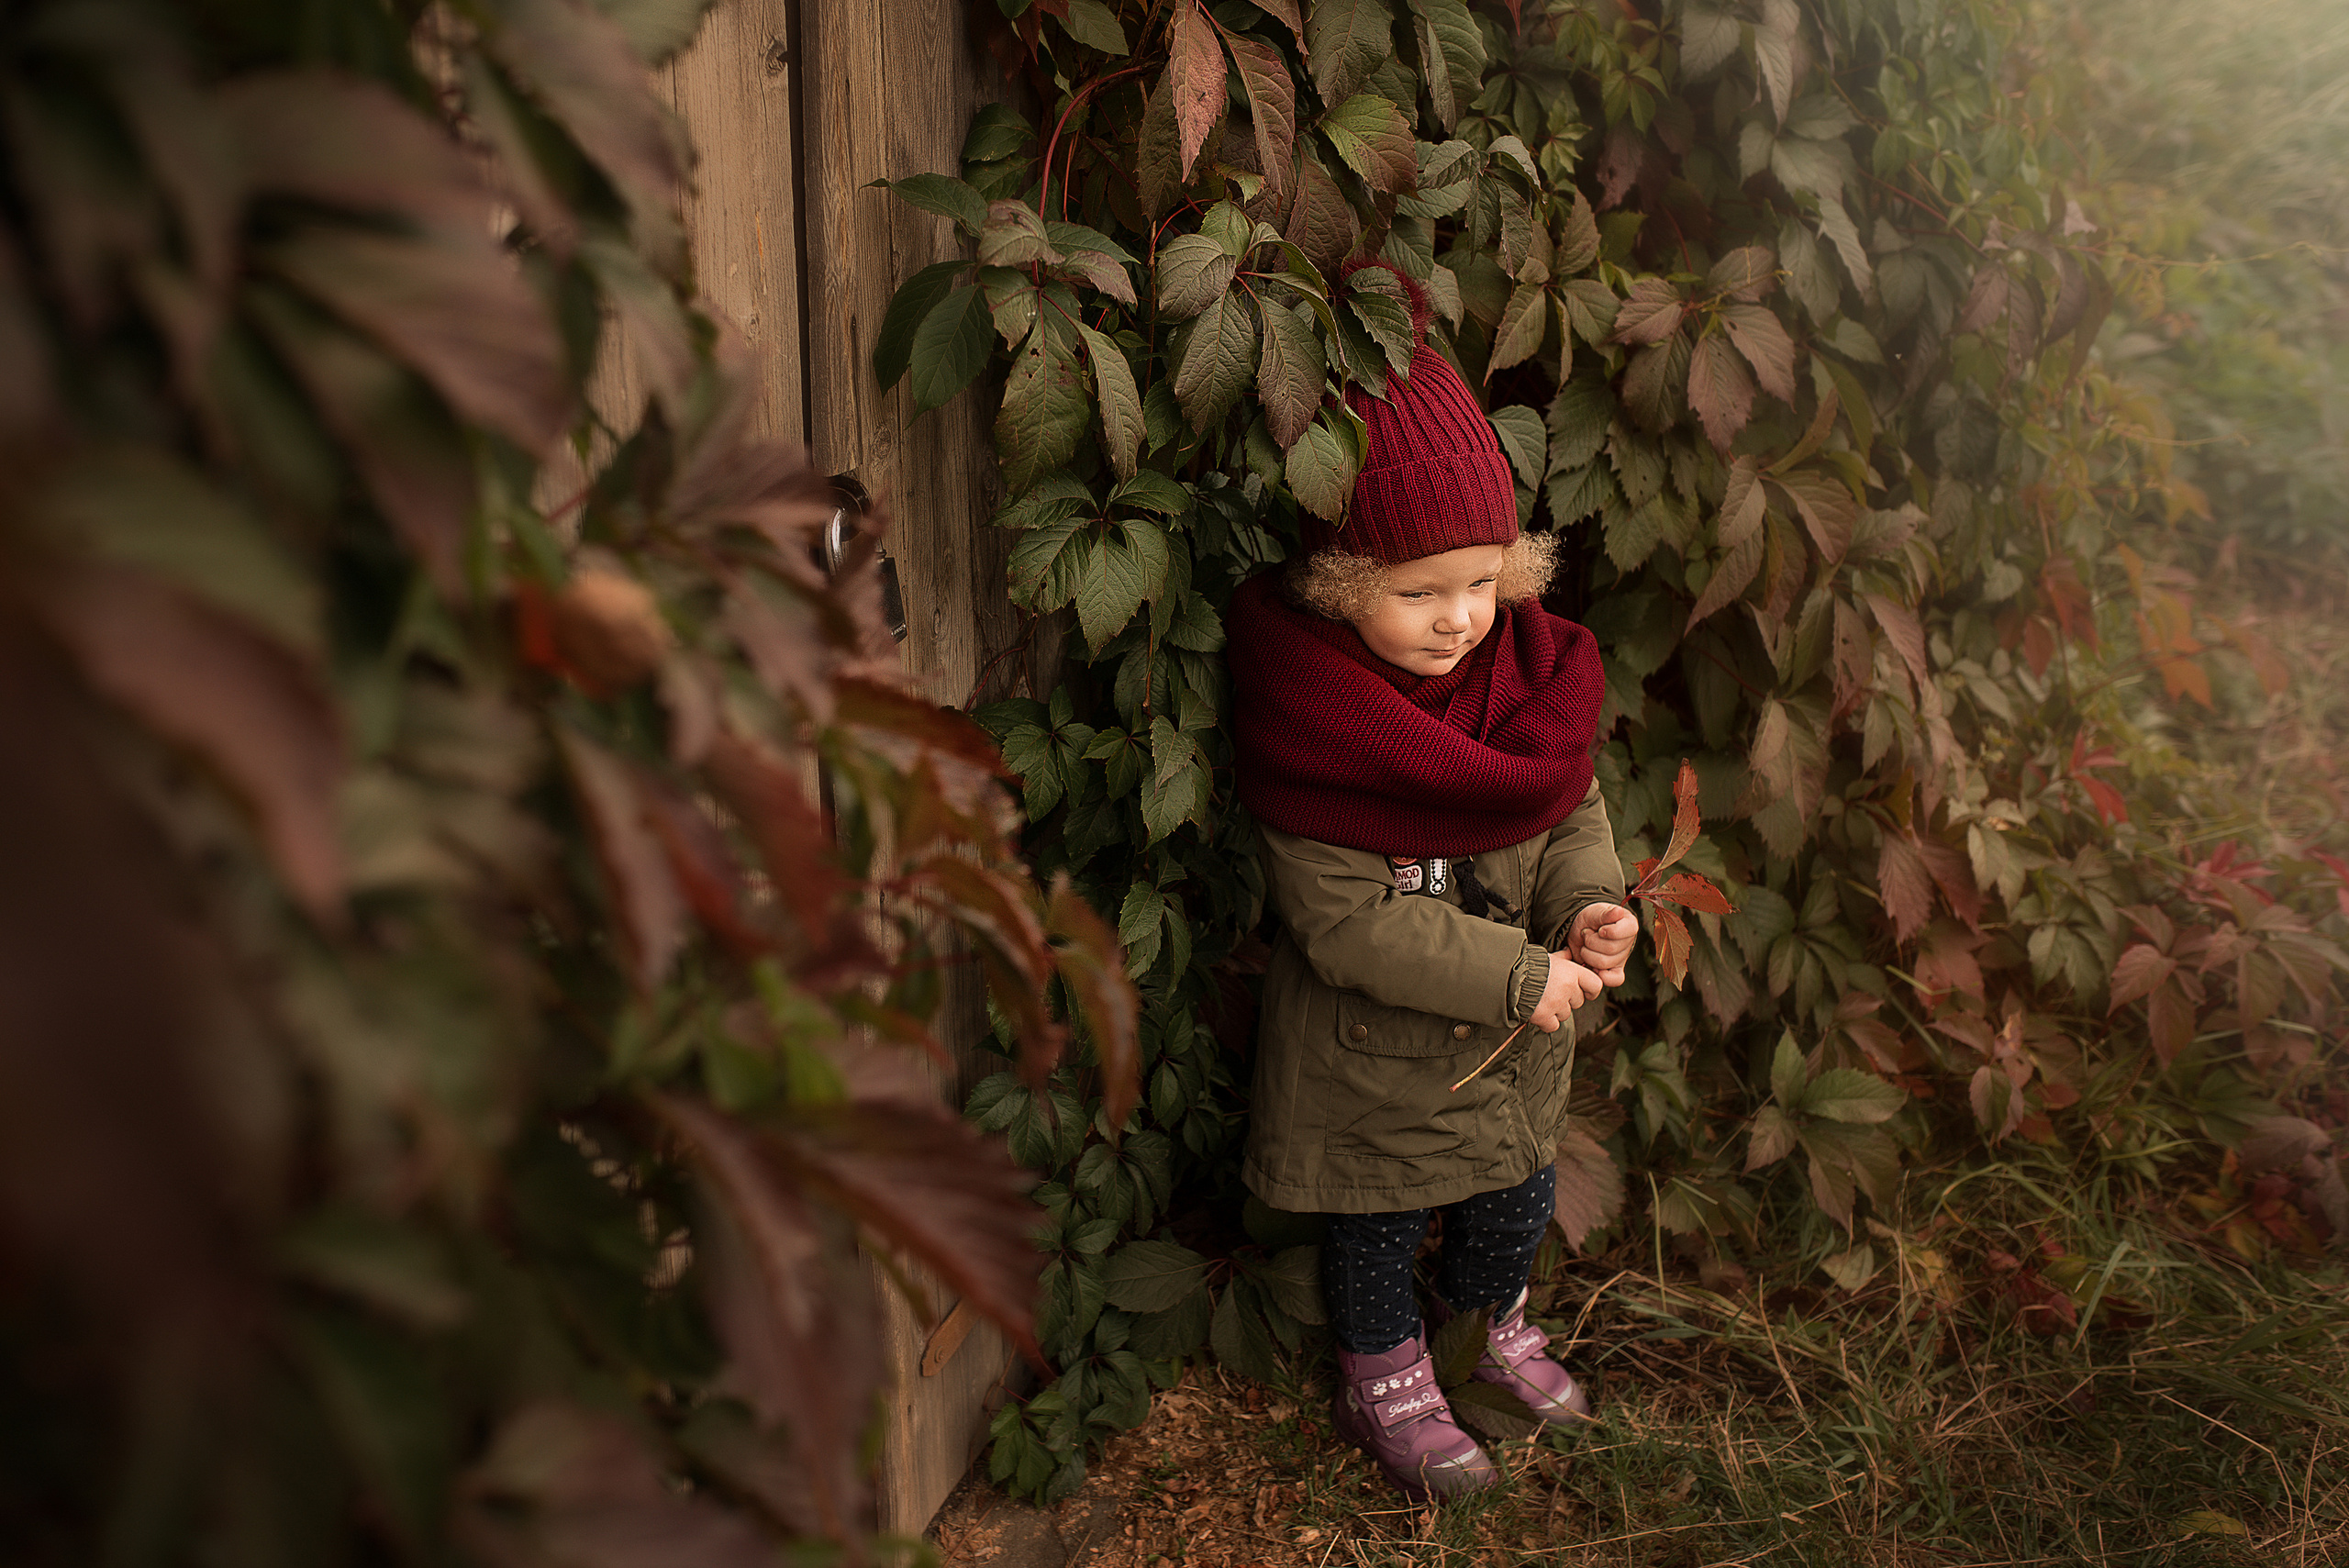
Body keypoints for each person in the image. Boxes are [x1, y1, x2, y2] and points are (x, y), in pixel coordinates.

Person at [1225, 261, 1637, 1501]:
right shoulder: (1318, 725)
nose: (1460, 618)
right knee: (1377, 1219)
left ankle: (1484, 1328)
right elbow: (1346, 922)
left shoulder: (1524, 680)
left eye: (1481, 582)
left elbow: (1568, 807)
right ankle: (1386, 1367)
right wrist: (1518, 972)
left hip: (1505, 1055)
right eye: (1418, 593)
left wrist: (1588, 907)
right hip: (1370, 1067)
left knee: (1516, 1193)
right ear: (1343, 585)